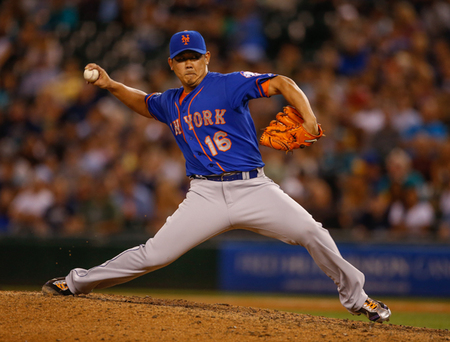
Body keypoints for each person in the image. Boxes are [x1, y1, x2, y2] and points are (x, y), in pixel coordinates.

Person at [42, 30, 391, 323]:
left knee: (312, 232)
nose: (188, 63)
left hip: (253, 187)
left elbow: (283, 83)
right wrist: (110, 84)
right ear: (172, 64)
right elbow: (144, 103)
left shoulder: (229, 85)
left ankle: (358, 299)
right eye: (181, 58)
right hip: (205, 195)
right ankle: (76, 284)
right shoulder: (171, 101)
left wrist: (310, 117)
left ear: (207, 57)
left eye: (194, 56)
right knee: (154, 255)